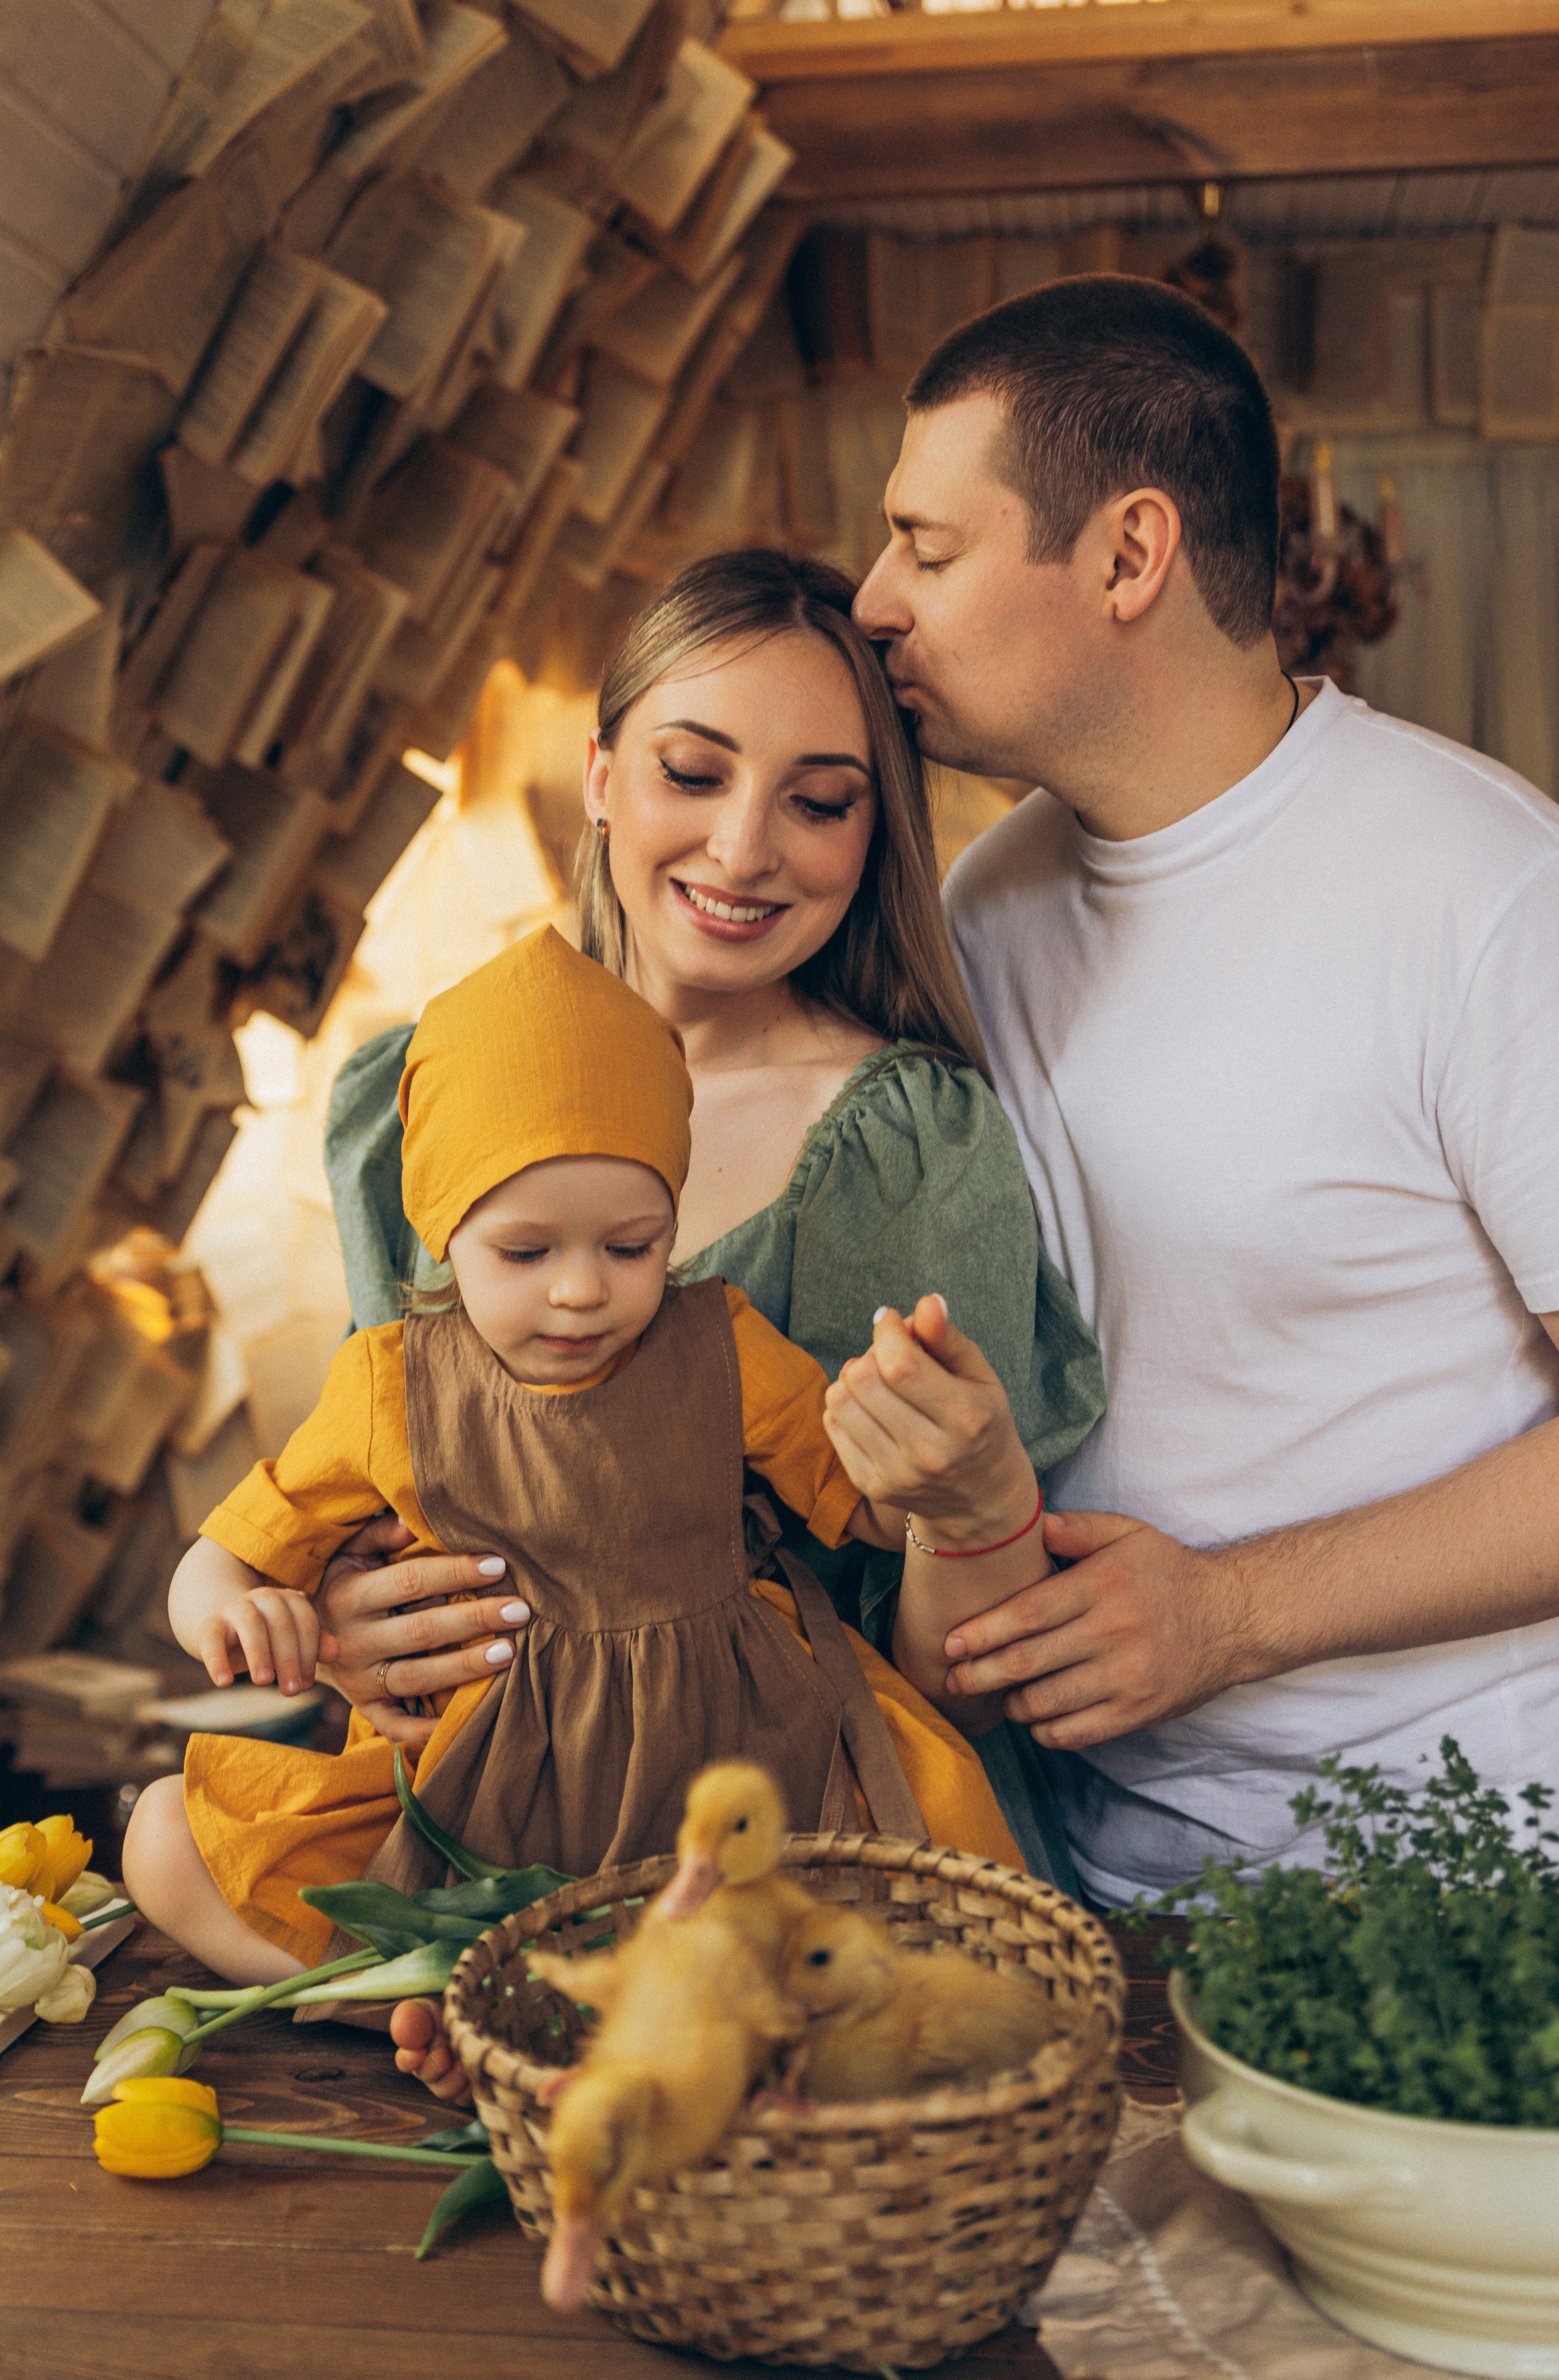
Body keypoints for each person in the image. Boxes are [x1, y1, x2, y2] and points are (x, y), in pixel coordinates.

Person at [849, 272, 1559, 1906]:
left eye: (927, 549)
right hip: (1084, 1886)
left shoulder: (1491, 900)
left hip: (1460, 1893)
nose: (872, 598)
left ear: (1128, 555)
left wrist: (1231, 1613)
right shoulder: (981, 909)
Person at [309, 549, 1104, 1939]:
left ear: (872, 837)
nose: (745, 848)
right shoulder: (411, 1095)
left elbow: (949, 1674)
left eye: (816, 802)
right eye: (694, 772)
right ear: (605, 775)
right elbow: (381, 1463)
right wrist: (343, 1610)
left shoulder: (907, 1141)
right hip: (489, 1813)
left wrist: (971, 1512)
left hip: (802, 1831)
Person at [122, 926, 1054, 1993]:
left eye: (631, 1246)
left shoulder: (724, 1344)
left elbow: (869, 1510)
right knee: (166, 1841)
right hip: (489, 1791)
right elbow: (222, 1557)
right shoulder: (391, 1385)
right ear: (442, 1227)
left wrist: (931, 1453)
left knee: (930, 1895)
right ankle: (462, 2003)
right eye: (526, 1252)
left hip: (736, 1746)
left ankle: (647, 2013)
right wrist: (237, 1617)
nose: (580, 1290)